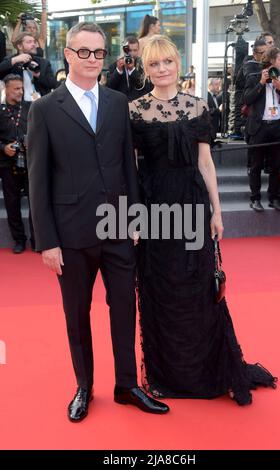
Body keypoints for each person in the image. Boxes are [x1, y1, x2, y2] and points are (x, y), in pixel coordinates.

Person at [27, 22, 169, 423]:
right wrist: (47, 241)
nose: (92, 59)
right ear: (69, 55)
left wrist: (137, 216)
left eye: (99, 52)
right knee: (77, 315)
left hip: (119, 227)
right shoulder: (44, 109)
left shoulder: (115, 102)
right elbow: (37, 181)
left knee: (124, 307)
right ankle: (84, 386)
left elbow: (128, 163)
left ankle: (127, 385)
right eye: (84, 52)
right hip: (70, 235)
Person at [129, 35, 277, 405]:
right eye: (154, 64)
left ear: (178, 64)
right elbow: (129, 168)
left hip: (192, 207)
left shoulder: (197, 108)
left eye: (167, 62)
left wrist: (217, 210)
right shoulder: (133, 111)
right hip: (153, 211)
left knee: (197, 289)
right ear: (145, 69)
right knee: (159, 287)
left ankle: (203, 370)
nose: (162, 69)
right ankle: (167, 375)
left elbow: (205, 163)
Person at [244, 47, 280, 212]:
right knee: (255, 165)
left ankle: (274, 198)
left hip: (278, 126)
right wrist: (261, 83)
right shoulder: (254, 77)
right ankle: (255, 198)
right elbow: (247, 99)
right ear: (270, 62)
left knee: (277, 165)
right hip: (260, 126)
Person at [0, 74, 35, 253]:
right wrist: (3, 147)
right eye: (16, 89)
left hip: (30, 163)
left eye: (21, 88)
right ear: (6, 88)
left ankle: (37, 239)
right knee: (12, 205)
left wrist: (32, 141)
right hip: (7, 164)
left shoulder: (31, 108)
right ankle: (19, 240)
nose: (21, 91)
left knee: (36, 203)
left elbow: (41, 131)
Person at [0, 33, 57, 101]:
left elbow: (53, 84)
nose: (33, 44)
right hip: (18, 104)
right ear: (20, 46)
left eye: (34, 42)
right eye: (29, 42)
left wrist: (39, 75)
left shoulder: (43, 63)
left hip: (40, 104)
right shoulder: (11, 61)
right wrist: (15, 60)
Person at [107, 36, 153, 101]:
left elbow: (149, 87)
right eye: (130, 50)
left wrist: (132, 70)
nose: (132, 53)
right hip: (120, 104)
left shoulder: (144, 65)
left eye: (135, 50)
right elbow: (108, 88)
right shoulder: (114, 66)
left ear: (138, 50)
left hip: (139, 104)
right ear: (124, 50)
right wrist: (118, 71)